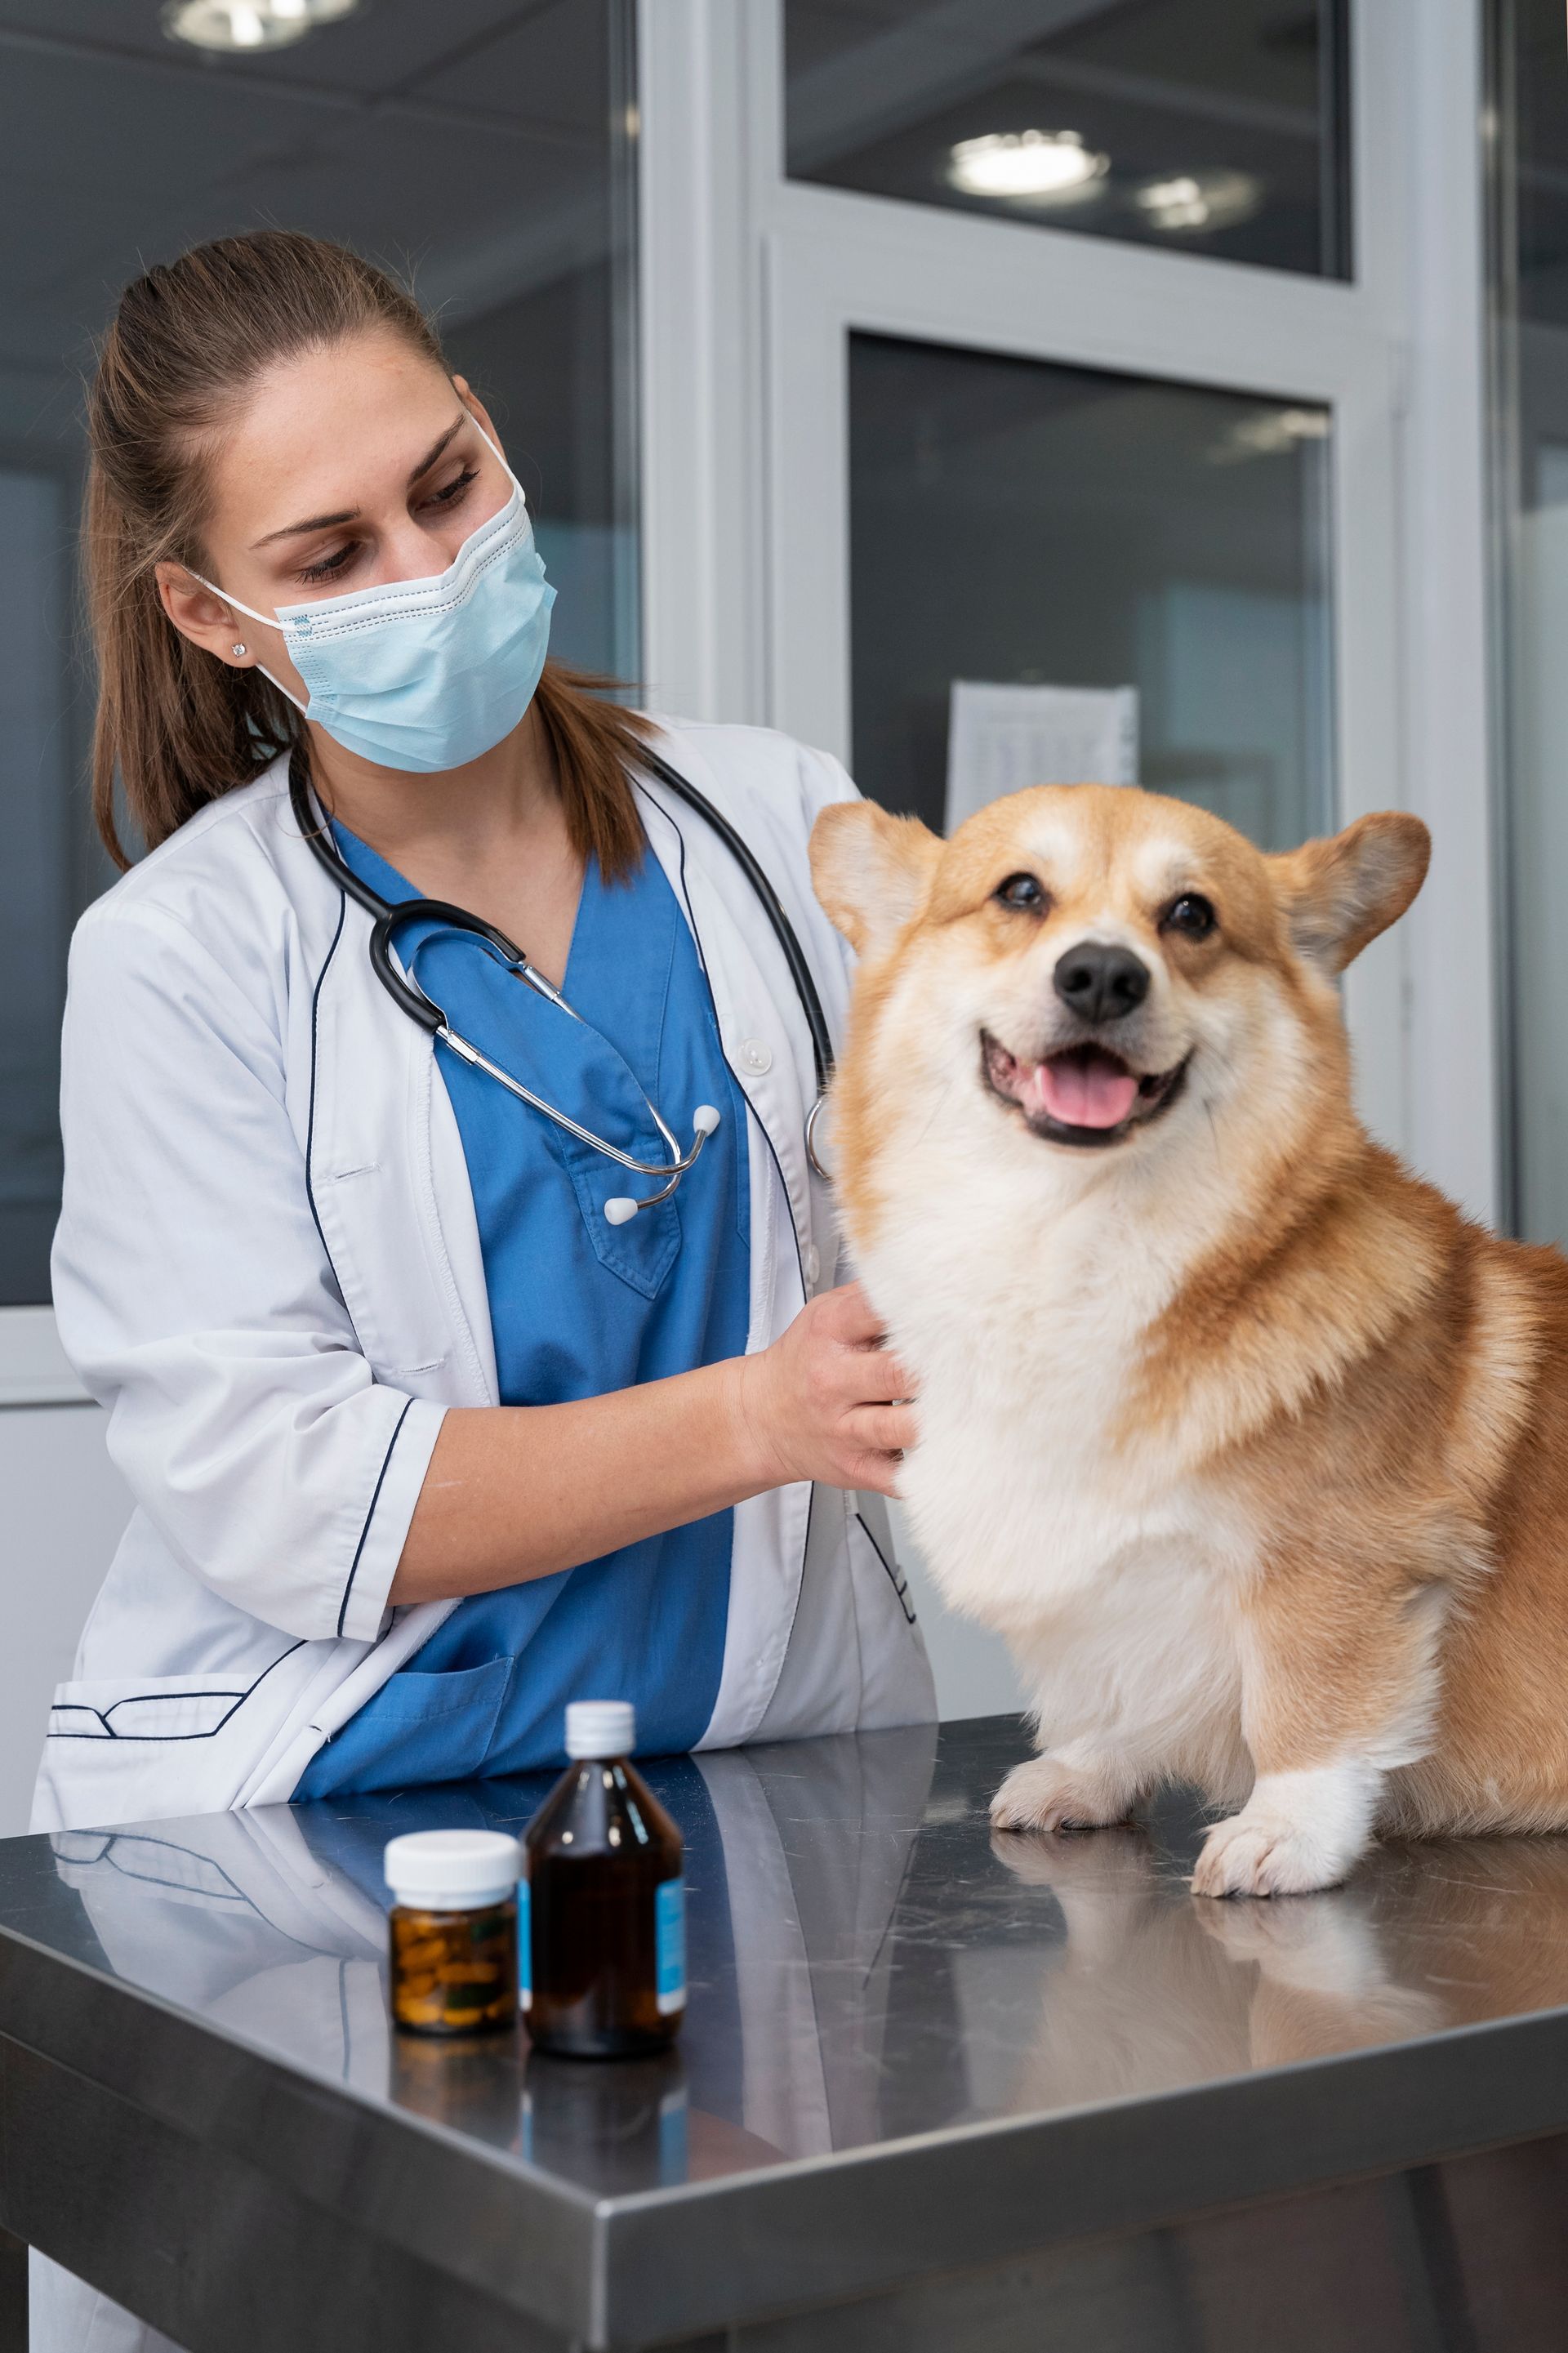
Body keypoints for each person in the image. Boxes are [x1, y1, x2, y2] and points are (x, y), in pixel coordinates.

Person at [30, 225, 933, 2349]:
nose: (430, 570)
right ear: (209, 613)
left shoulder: (777, 823)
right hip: (335, 1848)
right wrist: (757, 1416)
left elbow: (972, 1197)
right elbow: (287, 1493)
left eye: (448, 488)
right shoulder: (183, 960)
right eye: (331, 554)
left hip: (745, 1807)